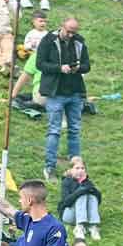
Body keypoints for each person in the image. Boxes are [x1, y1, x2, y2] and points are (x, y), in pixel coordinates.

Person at [37, 17, 90, 181]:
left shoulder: (79, 42)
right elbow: (40, 64)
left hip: (74, 91)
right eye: (68, 31)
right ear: (62, 26)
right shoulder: (48, 40)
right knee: (54, 130)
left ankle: (76, 169)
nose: (71, 35)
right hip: (55, 92)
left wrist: (77, 68)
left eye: (74, 32)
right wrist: (59, 68)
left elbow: (87, 65)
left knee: (74, 129)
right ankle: (50, 167)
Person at [58, 156, 101, 241]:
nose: (80, 170)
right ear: (70, 170)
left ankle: (93, 226)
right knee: (82, 194)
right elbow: (66, 202)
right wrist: (81, 190)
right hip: (69, 215)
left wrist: (91, 189)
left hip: (85, 216)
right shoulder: (66, 182)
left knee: (92, 196)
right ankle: (79, 227)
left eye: (82, 168)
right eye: (77, 168)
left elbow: (98, 201)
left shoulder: (87, 182)